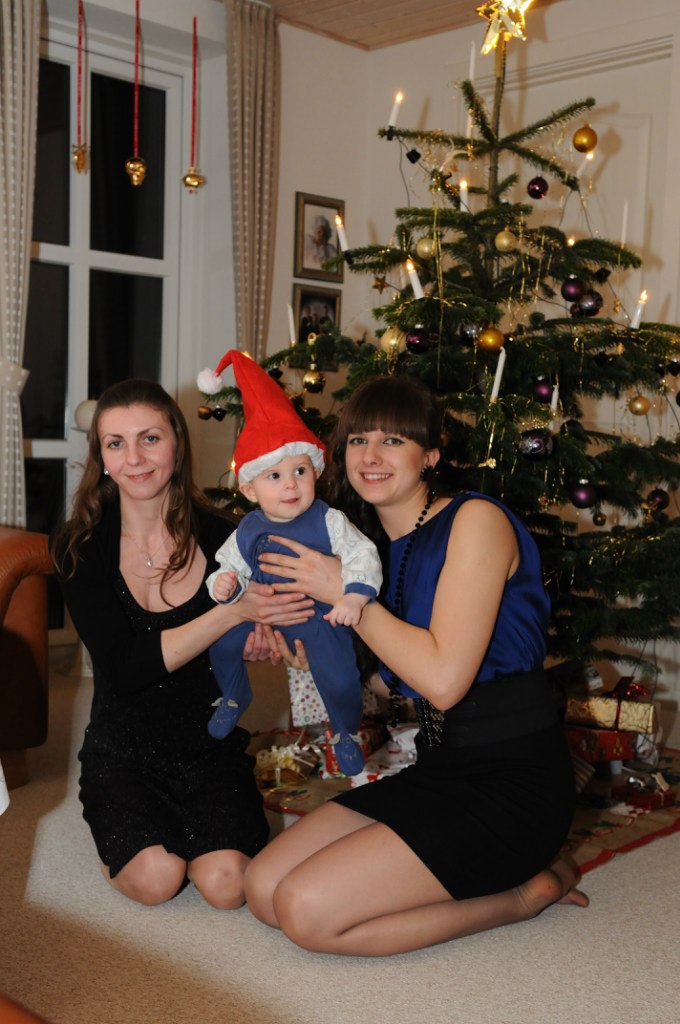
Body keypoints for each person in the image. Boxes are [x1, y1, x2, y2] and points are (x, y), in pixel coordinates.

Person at [243, 373, 588, 956]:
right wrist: (311, 651)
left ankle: (526, 894)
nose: (371, 456)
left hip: (514, 784)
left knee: (306, 913)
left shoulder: (476, 521)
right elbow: (392, 681)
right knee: (263, 888)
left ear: (430, 455)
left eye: (393, 440)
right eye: (358, 440)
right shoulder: (365, 551)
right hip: (438, 768)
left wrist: (347, 596)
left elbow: (445, 683)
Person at [50, 379, 315, 909]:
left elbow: (277, 625)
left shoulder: (229, 537)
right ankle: (129, 837)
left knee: (227, 886)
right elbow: (122, 668)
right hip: (122, 751)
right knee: (157, 880)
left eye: (150, 438)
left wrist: (260, 637)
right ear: (101, 458)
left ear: (177, 443)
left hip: (209, 746)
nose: (134, 458)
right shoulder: (78, 545)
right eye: (116, 443)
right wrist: (231, 614)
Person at [197, 350, 382, 776]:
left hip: (319, 618)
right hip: (262, 614)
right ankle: (234, 695)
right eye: (274, 476)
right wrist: (224, 584)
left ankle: (345, 731)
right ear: (250, 489)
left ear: (315, 472)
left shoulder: (328, 520)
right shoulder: (248, 528)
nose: (291, 485)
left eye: (300, 471)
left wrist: (353, 596)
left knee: (339, 677)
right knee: (220, 641)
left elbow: (362, 554)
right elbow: (228, 566)